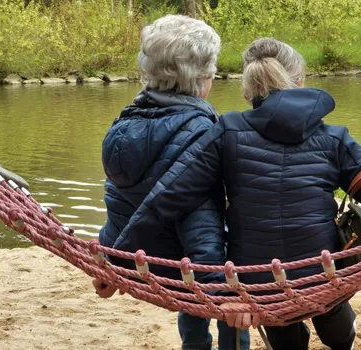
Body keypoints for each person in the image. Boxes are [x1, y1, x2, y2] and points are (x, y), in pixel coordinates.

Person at [115, 38, 361, 350]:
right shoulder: (334, 137)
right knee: (329, 300)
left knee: (277, 314)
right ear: (299, 82)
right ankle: (342, 338)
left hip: (258, 284)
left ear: (249, 91)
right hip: (322, 274)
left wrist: (116, 259)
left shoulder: (225, 130)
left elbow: (169, 196)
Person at [94, 14, 250, 350]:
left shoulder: (122, 125)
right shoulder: (205, 132)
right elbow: (200, 218)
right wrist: (218, 289)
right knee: (233, 267)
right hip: (182, 265)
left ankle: (194, 343)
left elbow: (118, 200)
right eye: (212, 71)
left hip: (137, 257)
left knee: (193, 274)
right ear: (202, 79)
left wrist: (112, 259)